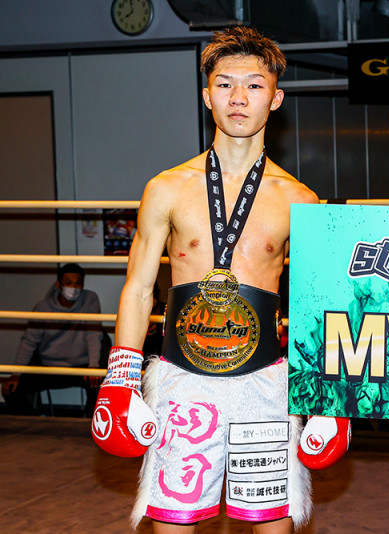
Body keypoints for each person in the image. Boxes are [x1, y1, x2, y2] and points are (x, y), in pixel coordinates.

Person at [88, 26, 350, 534]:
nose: (238, 97)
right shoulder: (166, 188)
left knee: (272, 526)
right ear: (207, 95)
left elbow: (318, 307)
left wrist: (328, 396)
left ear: (275, 99)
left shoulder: (299, 199)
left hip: (265, 384)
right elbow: (139, 288)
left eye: (254, 85)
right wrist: (121, 377)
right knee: (173, 523)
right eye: (225, 84)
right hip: (182, 382)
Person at [2, 263, 104, 415]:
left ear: (83, 285)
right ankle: (38, 422)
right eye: (68, 283)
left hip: (81, 366)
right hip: (49, 366)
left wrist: (93, 366)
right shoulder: (43, 308)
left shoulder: (90, 300)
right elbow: (29, 342)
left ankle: (90, 425)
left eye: (77, 283)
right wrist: (16, 374)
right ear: (58, 285)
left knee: (103, 389)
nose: (73, 288)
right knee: (10, 390)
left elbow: (93, 334)